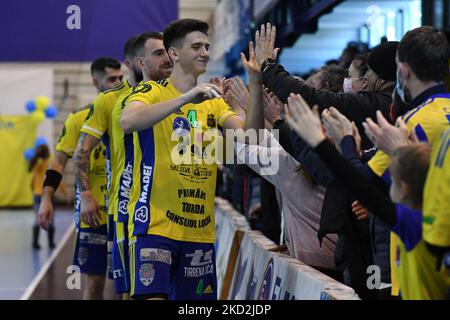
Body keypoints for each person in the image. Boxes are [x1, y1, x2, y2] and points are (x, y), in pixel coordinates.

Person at [120, 19, 245, 300]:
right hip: (154, 225)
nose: (205, 53)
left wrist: (252, 91)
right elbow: (128, 121)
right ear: (174, 54)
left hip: (199, 231)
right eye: (196, 46)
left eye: (207, 47)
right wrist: (186, 98)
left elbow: (248, 139)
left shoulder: (214, 102)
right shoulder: (151, 91)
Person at [284, 93, 449, 299]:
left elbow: (359, 185)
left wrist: (329, 141)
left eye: (391, 178)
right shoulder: (435, 222)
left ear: (404, 188)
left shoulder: (413, 226)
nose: (384, 183)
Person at [39, 56, 123, 300]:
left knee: (125, 286)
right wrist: (46, 199)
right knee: (95, 283)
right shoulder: (79, 119)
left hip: (124, 212)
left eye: (120, 79)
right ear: (95, 81)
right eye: (111, 79)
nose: (118, 84)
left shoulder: (131, 115)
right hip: (92, 213)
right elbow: (58, 163)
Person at [29, 144, 70, 249]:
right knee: (50, 219)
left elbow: (32, 181)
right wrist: (66, 194)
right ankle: (51, 243)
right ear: (47, 153)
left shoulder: (36, 165)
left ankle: (35, 243)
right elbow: (58, 181)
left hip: (37, 195)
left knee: (37, 218)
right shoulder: (51, 164)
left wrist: (34, 189)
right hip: (48, 196)